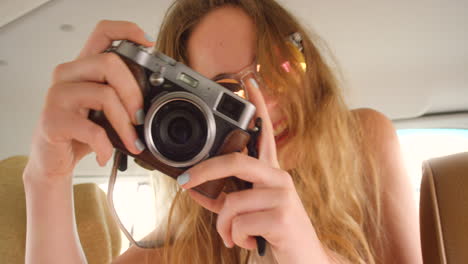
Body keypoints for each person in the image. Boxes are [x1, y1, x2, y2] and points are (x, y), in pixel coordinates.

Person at [22, 0, 423, 263]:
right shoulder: (181, 244)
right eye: (229, 94)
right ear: (192, 119)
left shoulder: (364, 140)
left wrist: (306, 252)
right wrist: (46, 180)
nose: (264, 107)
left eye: (279, 65)